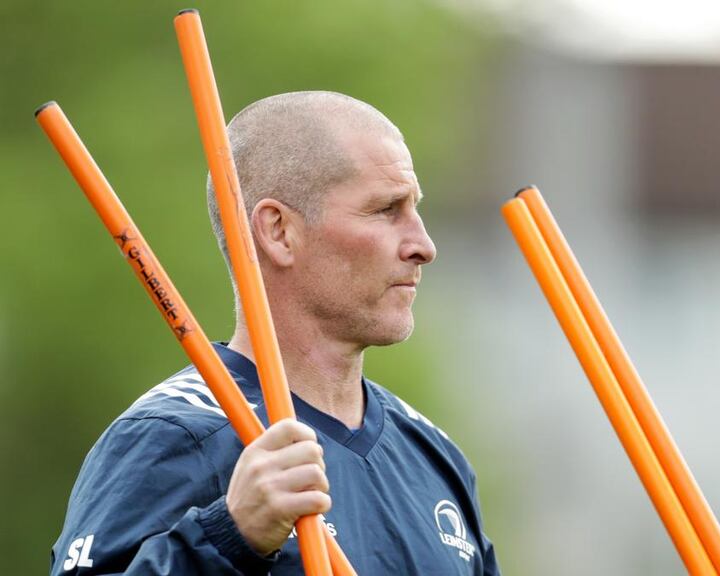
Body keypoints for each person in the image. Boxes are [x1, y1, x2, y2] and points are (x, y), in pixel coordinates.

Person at [51, 91, 500, 575]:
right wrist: (227, 537)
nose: (423, 245)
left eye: (415, 209)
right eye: (386, 209)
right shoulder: (176, 434)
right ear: (279, 231)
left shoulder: (430, 454)